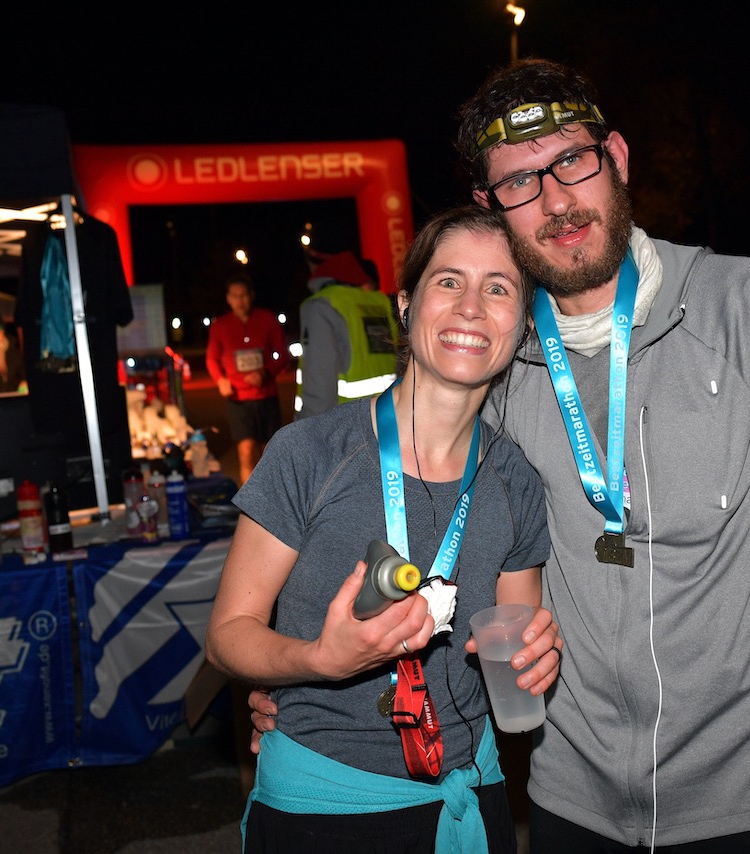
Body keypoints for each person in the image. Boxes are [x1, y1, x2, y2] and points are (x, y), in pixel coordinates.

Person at [252, 57, 750, 854]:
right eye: (520, 183)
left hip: (748, 798)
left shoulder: (742, 305)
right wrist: (300, 679)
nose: (554, 200)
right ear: (493, 209)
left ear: (615, 158)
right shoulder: (500, 363)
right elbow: (426, 538)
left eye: (571, 162)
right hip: (567, 803)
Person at [205, 205, 561, 854]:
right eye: (449, 281)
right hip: (324, 807)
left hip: (473, 796)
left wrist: (539, 653)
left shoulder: (516, 479)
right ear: (405, 305)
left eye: (499, 287)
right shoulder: (309, 453)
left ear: (522, 325)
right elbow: (228, 638)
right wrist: (316, 660)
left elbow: (518, 630)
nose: (472, 306)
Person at [294, 249, 399, 420]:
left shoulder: (320, 306)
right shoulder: (379, 302)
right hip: (386, 419)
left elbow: (319, 384)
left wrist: (308, 433)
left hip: (344, 426)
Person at [205, 272, 288, 484]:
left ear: (251, 295)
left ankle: (274, 502)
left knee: (270, 452)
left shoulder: (267, 319)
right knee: (246, 451)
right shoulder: (220, 326)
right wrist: (220, 380)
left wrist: (265, 372)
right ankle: (250, 510)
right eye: (234, 296)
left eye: (243, 295)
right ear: (227, 298)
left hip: (266, 395)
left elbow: (282, 354)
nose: (239, 301)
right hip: (238, 399)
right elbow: (212, 359)